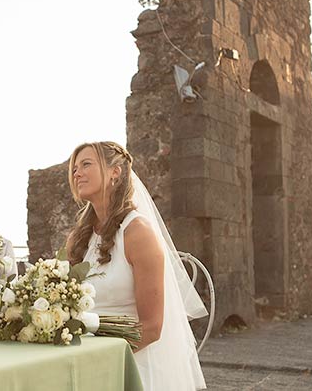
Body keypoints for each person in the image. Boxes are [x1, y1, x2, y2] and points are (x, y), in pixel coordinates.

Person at [65, 141, 207, 391]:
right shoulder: (80, 238)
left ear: (115, 172)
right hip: (82, 359)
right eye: (74, 167)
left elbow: (152, 327)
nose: (77, 172)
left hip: (130, 366)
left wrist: (99, 358)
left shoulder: (137, 232)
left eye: (86, 164)